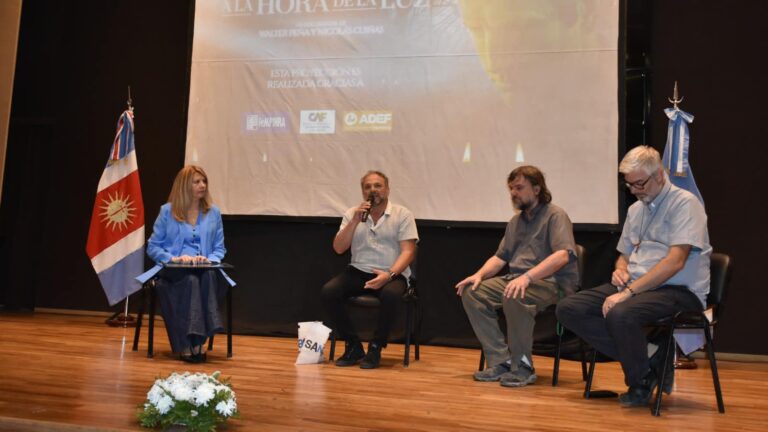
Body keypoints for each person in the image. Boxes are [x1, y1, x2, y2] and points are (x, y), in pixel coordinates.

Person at [556, 145, 711, 407]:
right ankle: (651, 355)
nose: (635, 191)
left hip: (678, 290)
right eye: (629, 185)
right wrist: (620, 269)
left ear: (660, 175)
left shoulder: (685, 204)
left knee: (621, 312)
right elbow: (624, 254)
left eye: (640, 183)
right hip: (638, 285)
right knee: (569, 308)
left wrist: (628, 293)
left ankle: (639, 380)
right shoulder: (636, 210)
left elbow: (675, 262)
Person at [456, 166, 578, 387]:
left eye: (519, 188)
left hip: (553, 283)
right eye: (511, 188)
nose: (514, 193)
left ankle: (523, 366)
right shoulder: (515, 222)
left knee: (514, 294)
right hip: (518, 279)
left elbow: (562, 256)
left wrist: (528, 277)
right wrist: (478, 275)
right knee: (472, 292)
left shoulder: (555, 215)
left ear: (537, 188)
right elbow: (500, 257)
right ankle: (500, 361)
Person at [136, 165, 235, 363]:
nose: (203, 185)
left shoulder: (213, 213)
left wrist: (208, 259)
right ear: (184, 185)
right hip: (173, 271)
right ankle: (186, 344)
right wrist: (174, 258)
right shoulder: (167, 212)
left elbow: (219, 249)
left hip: (203, 270)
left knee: (205, 277)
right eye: (197, 181)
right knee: (190, 281)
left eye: (204, 181)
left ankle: (197, 342)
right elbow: (153, 247)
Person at [320, 171, 418, 369]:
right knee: (329, 291)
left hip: (391, 273)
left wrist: (389, 275)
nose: (373, 190)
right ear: (363, 192)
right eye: (368, 187)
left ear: (387, 189)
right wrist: (355, 221)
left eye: (378, 186)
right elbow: (339, 248)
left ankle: (375, 347)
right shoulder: (352, 214)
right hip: (357, 271)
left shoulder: (402, 214)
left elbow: (408, 252)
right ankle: (353, 345)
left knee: (391, 296)